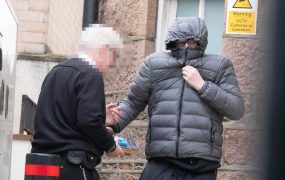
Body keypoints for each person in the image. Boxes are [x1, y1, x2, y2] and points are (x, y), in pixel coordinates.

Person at [114, 17, 245, 180]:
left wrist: (203, 86)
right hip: (161, 161)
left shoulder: (220, 66)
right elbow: (133, 102)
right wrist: (110, 126)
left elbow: (237, 109)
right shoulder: (153, 64)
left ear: (201, 42)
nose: (185, 46)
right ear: (172, 41)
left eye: (191, 42)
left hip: (201, 165)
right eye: (180, 42)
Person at [31, 25, 124, 180]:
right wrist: (111, 145)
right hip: (72, 165)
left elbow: (61, 116)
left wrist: (101, 115)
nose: (110, 66)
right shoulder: (90, 74)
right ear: (104, 49)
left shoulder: (56, 71)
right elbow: (89, 122)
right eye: (113, 57)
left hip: (41, 165)